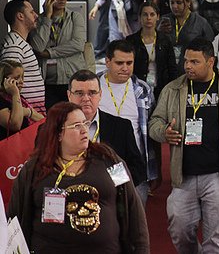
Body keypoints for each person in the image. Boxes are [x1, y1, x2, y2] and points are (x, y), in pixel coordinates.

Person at [148, 37, 219, 254]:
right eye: (186, 61)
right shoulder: (173, 89)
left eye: (195, 62)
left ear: (211, 62)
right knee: (179, 229)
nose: (187, 66)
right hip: (183, 176)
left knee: (216, 238)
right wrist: (163, 132)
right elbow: (154, 122)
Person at [8, 102, 149, 253]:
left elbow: (132, 206)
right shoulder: (33, 170)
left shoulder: (109, 160)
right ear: (58, 133)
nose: (84, 130)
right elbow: (15, 220)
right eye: (76, 126)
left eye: (85, 123)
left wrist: (141, 249)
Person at [98, 40, 157, 204]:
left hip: (133, 164)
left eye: (129, 63)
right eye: (119, 63)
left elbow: (150, 131)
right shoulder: (93, 87)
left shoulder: (143, 89)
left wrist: (154, 169)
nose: (125, 68)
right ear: (107, 62)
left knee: (136, 214)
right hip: (99, 162)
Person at [67, 69, 146, 187]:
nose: (86, 98)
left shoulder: (121, 127)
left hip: (109, 194)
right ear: (69, 95)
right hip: (69, 191)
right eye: (79, 93)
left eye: (92, 93)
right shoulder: (55, 127)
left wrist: (110, 184)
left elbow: (137, 169)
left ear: (100, 94)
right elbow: (45, 168)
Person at [29, 0, 86, 108]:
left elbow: (78, 44)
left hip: (70, 78)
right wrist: (47, 18)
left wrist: (49, 53)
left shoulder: (75, 17)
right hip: (46, 81)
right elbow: (38, 47)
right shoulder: (38, 21)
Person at [1, 0, 46, 115]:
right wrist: (25, 112)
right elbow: (9, 83)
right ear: (20, 16)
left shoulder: (20, 43)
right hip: (26, 115)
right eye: (31, 12)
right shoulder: (14, 46)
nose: (36, 15)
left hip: (31, 113)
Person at [126, 1, 178, 100]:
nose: (148, 18)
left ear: (158, 17)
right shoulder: (131, 41)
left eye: (152, 14)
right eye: (145, 15)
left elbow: (172, 68)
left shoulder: (165, 40)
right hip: (137, 89)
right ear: (140, 17)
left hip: (161, 88)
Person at [159, 0, 215, 70]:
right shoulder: (164, 21)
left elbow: (210, 48)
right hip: (167, 69)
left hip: (192, 69)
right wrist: (158, 31)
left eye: (179, 2)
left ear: (188, 2)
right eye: (172, 3)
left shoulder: (200, 22)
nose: (174, 6)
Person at [0, 60, 44, 141]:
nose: (21, 81)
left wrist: (28, 112)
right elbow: (15, 125)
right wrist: (15, 93)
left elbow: (44, 121)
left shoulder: (20, 98)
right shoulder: (5, 99)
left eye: (22, 77)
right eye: (17, 78)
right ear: (4, 80)